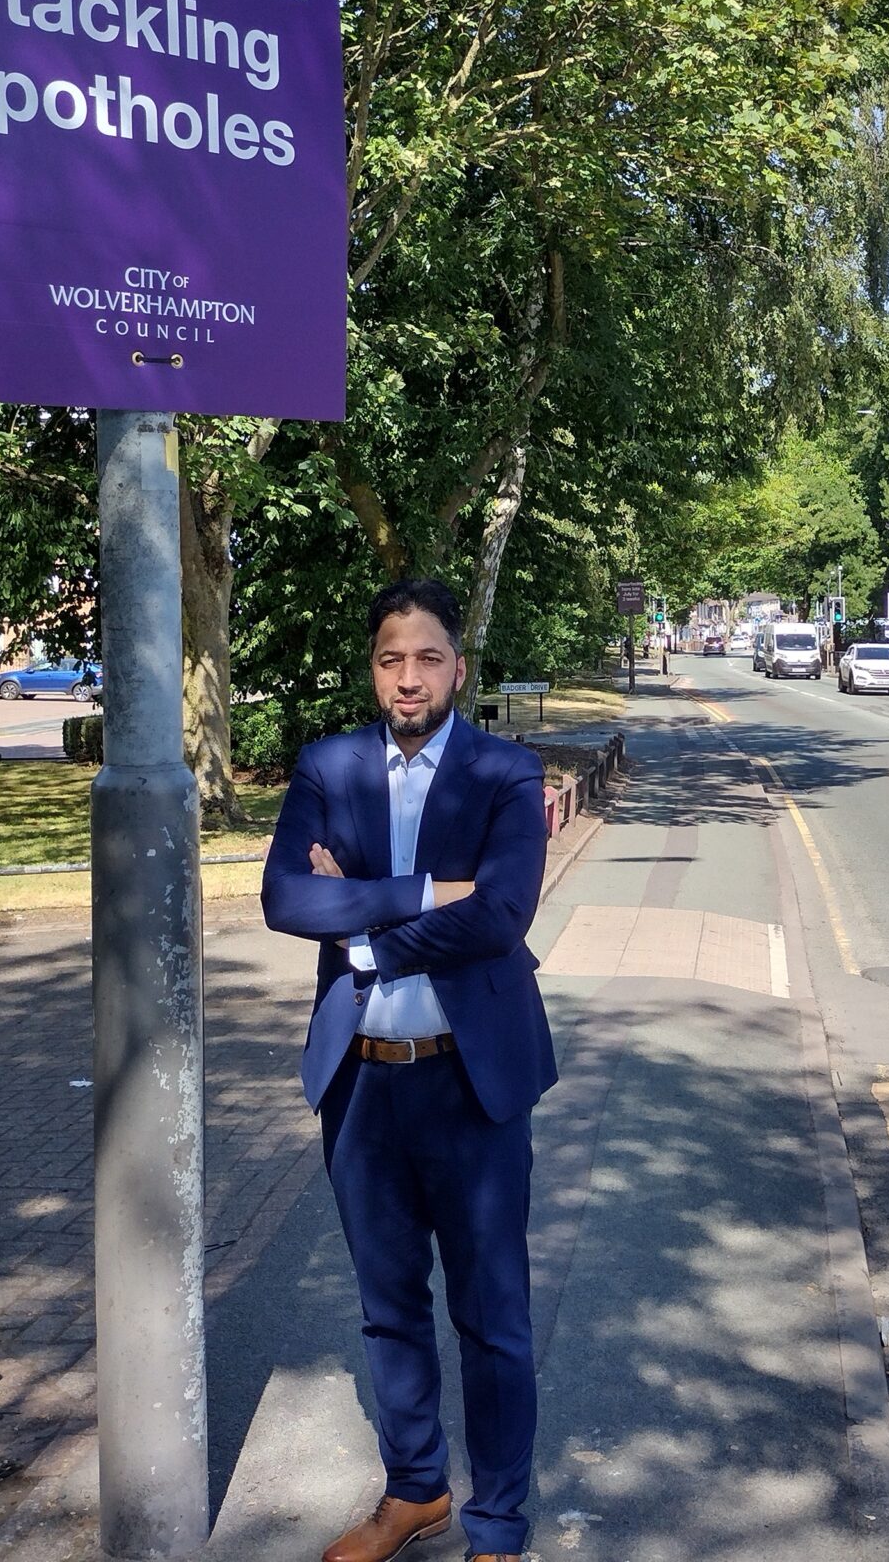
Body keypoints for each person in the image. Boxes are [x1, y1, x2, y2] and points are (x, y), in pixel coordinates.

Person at [262, 577, 554, 1562]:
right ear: (374, 669)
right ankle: (416, 1491)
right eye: (391, 659)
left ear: (457, 668)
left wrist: (372, 933)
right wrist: (433, 893)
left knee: (492, 1315)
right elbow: (284, 899)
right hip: (361, 1083)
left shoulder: (507, 772)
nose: (408, 677)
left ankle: (499, 1528)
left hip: (470, 1085)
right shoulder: (329, 766)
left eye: (428, 658)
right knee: (388, 1308)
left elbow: (504, 913)